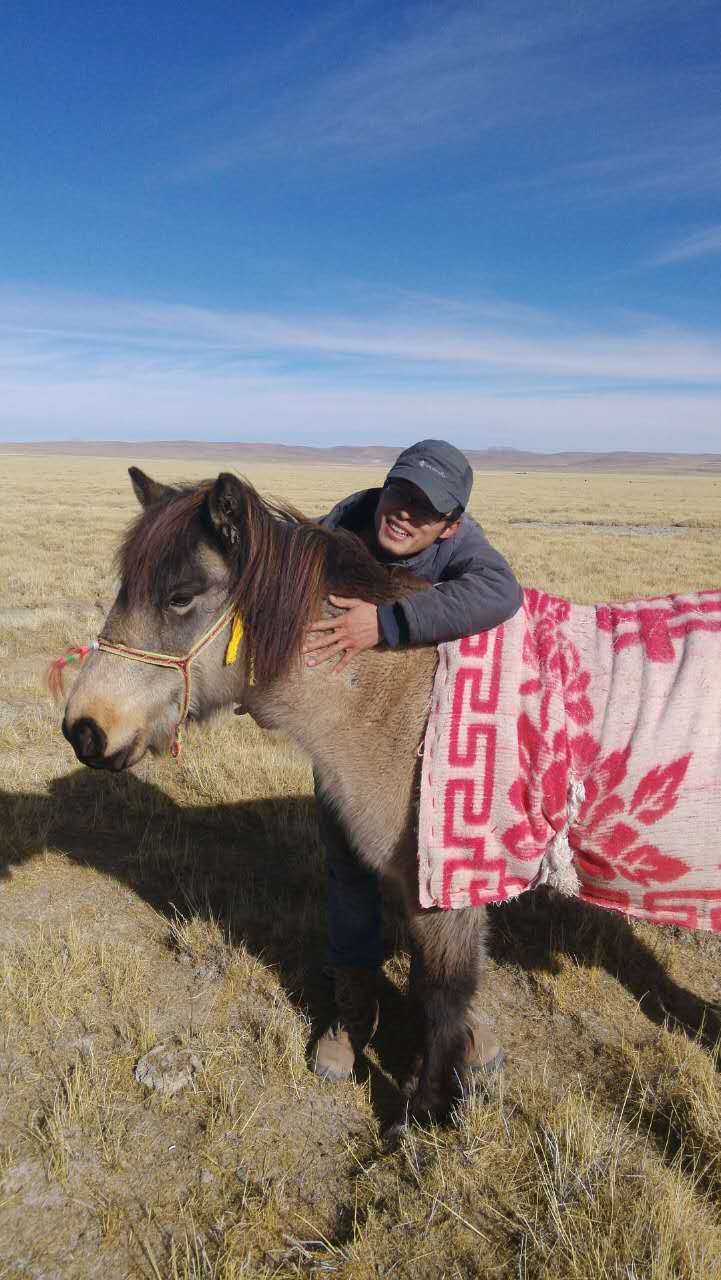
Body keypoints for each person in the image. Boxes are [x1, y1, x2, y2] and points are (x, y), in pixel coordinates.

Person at [303, 440, 524, 1082]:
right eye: (400, 493)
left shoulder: (464, 548)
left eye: (426, 510)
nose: (404, 514)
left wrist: (388, 623)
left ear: (450, 524)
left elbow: (499, 593)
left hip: (432, 741)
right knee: (347, 868)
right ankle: (355, 1004)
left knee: (440, 877)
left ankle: (454, 1011)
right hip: (344, 727)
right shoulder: (346, 522)